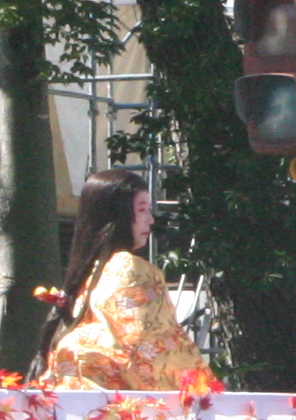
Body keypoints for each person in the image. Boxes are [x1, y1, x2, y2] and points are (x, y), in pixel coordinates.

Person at [38, 168, 213, 392]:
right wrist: (200, 389)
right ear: (116, 215)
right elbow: (150, 344)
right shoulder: (130, 268)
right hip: (123, 406)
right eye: (142, 210)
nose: (150, 220)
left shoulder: (89, 271)